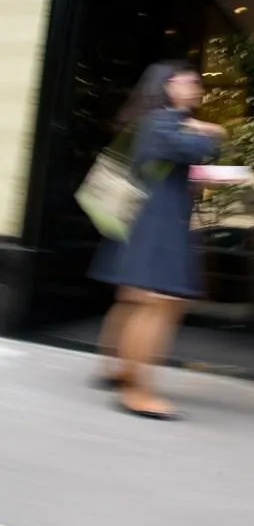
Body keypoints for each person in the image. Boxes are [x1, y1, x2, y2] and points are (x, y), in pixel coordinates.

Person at [89, 60, 225, 419]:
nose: (197, 88)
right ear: (168, 86)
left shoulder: (151, 121)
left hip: (146, 224)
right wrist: (215, 130)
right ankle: (137, 392)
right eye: (189, 82)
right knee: (156, 306)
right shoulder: (164, 121)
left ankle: (121, 370)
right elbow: (198, 148)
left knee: (138, 301)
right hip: (156, 228)